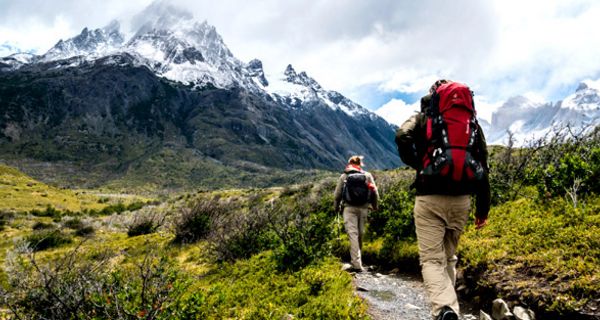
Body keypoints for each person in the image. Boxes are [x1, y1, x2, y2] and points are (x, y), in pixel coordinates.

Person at [395, 80, 491, 320]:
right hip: (462, 199)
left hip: (430, 197)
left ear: (434, 96)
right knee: (449, 256)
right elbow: (483, 163)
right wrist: (483, 209)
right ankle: (451, 310)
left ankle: (444, 309)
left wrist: (420, 164)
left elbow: (402, 136)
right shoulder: (471, 124)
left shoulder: (423, 118)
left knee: (430, 260)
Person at [333, 155, 379, 272]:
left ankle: (356, 264)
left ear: (349, 164)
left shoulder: (344, 176)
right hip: (364, 209)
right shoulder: (367, 175)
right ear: (360, 164)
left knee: (353, 234)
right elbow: (375, 192)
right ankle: (358, 261)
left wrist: (336, 208)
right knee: (360, 234)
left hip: (349, 209)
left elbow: (337, 195)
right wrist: (375, 207)